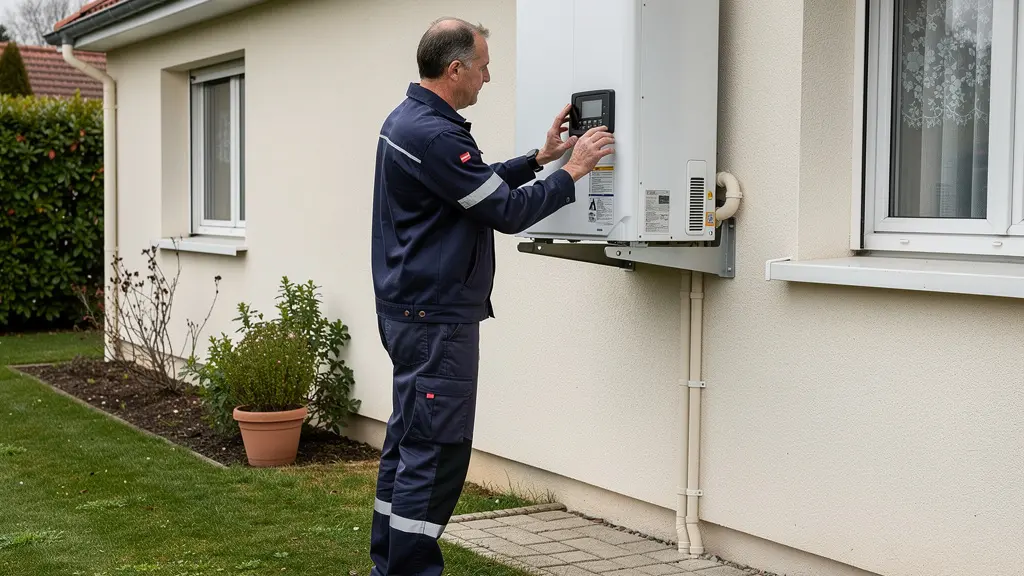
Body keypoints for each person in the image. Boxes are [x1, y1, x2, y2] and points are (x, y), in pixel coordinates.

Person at [369, 16, 614, 576]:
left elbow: (470, 187)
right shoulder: (434, 134)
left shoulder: (411, 121)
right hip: (436, 322)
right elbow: (503, 210)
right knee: (436, 453)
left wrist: (540, 158)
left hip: (412, 313)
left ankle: (390, 565)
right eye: (482, 67)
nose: (488, 78)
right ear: (454, 68)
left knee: (409, 442)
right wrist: (574, 171)